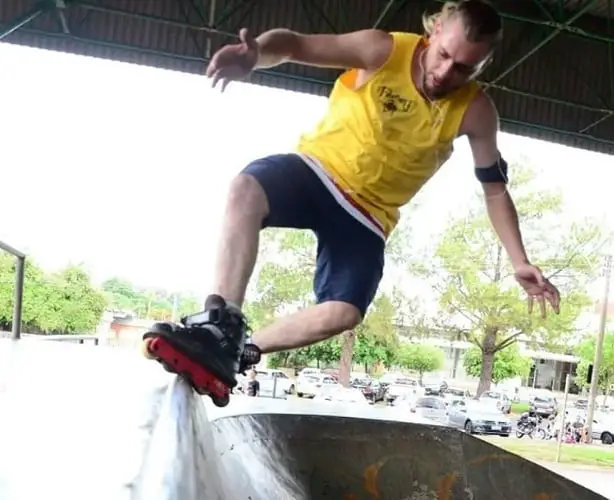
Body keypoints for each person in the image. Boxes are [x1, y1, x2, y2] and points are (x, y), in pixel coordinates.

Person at [144, 0, 561, 391]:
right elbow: (295, 45)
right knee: (245, 188)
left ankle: (242, 351)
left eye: (463, 69)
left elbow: (493, 190)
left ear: (482, 65)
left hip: (367, 215)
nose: (445, 74)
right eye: (444, 56)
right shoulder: (382, 49)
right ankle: (220, 324)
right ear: (434, 32)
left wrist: (519, 260)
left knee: (345, 312)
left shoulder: (477, 111)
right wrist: (256, 55)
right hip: (318, 171)